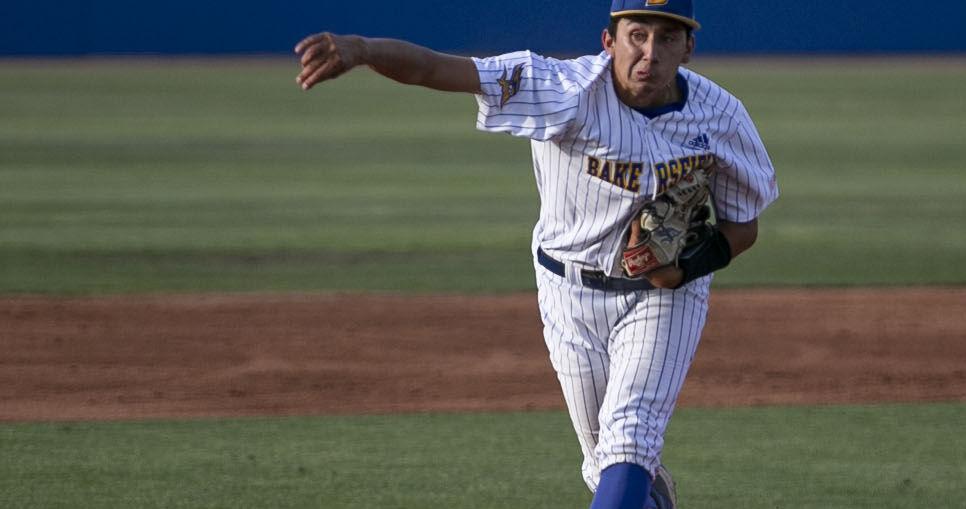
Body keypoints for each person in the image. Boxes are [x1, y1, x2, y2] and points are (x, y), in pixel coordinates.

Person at [295, 1, 778, 507]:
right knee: (605, 464)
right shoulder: (561, 88)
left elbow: (742, 225)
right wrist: (363, 49)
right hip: (567, 292)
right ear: (609, 42)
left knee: (631, 440)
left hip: (664, 302)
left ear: (689, 48)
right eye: (637, 34)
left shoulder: (721, 116)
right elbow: (438, 69)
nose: (650, 53)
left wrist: (685, 269)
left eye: (668, 38)